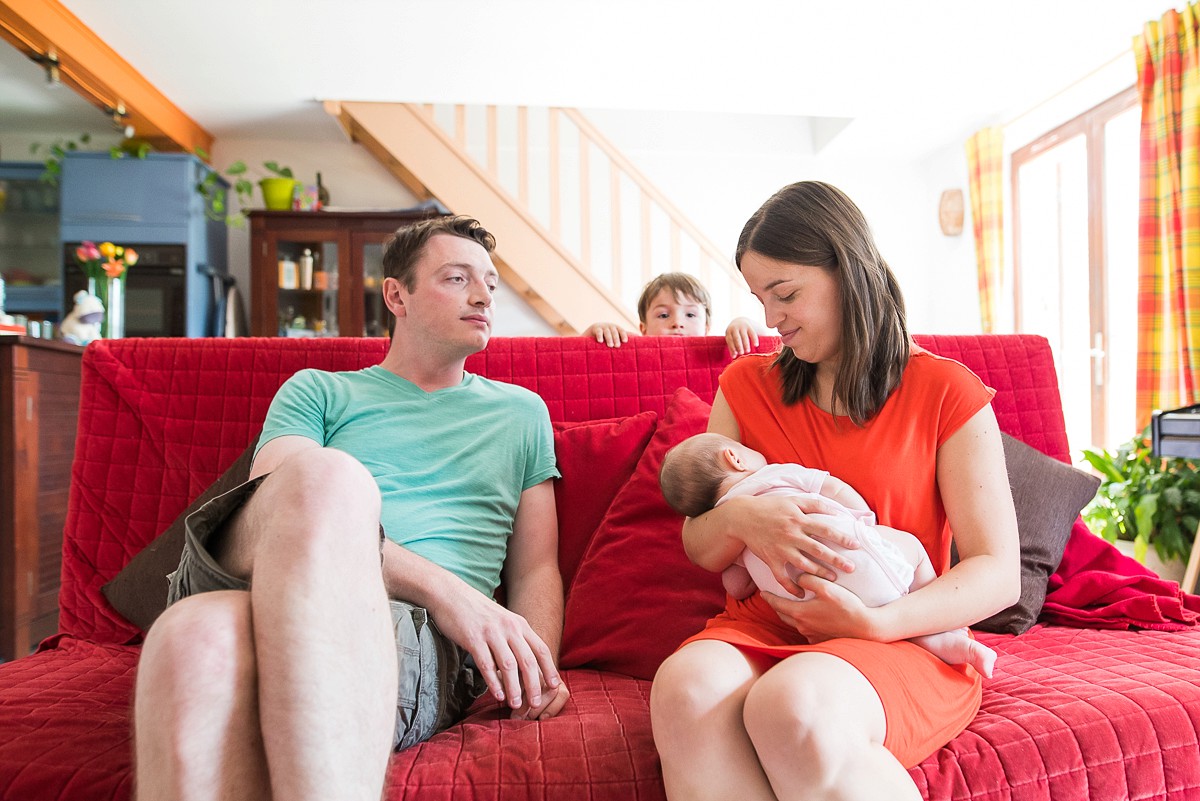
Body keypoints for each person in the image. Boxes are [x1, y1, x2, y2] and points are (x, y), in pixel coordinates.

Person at [133, 215, 571, 801]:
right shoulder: (318, 389)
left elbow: (536, 566)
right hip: (261, 576)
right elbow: (273, 505)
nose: (482, 295)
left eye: (490, 283)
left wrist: (533, 670)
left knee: (193, 639)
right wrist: (455, 594)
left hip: (410, 631)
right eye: (457, 277)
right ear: (397, 295)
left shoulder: (521, 413)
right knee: (325, 477)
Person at [649, 181, 1019, 801]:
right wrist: (745, 520)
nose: (771, 318)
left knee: (792, 706)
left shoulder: (947, 392)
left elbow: (998, 570)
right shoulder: (746, 384)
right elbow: (700, 542)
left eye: (785, 293)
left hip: (898, 631)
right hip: (768, 622)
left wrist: (876, 623)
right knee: (684, 688)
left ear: (848, 269)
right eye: (759, 298)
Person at [658, 432, 997, 678]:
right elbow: (832, 488)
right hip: (860, 560)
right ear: (734, 458)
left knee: (871, 608)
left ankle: (935, 642)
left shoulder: (726, 535)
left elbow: (736, 587)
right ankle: (944, 628)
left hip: (813, 613)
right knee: (914, 550)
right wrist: (863, 522)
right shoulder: (774, 474)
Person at [584, 271, 764, 357]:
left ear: (706, 328)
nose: (677, 323)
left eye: (690, 315)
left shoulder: (719, 349)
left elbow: (768, 348)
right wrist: (597, 331)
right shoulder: (633, 346)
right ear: (643, 329)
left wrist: (744, 323)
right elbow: (580, 356)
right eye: (663, 315)